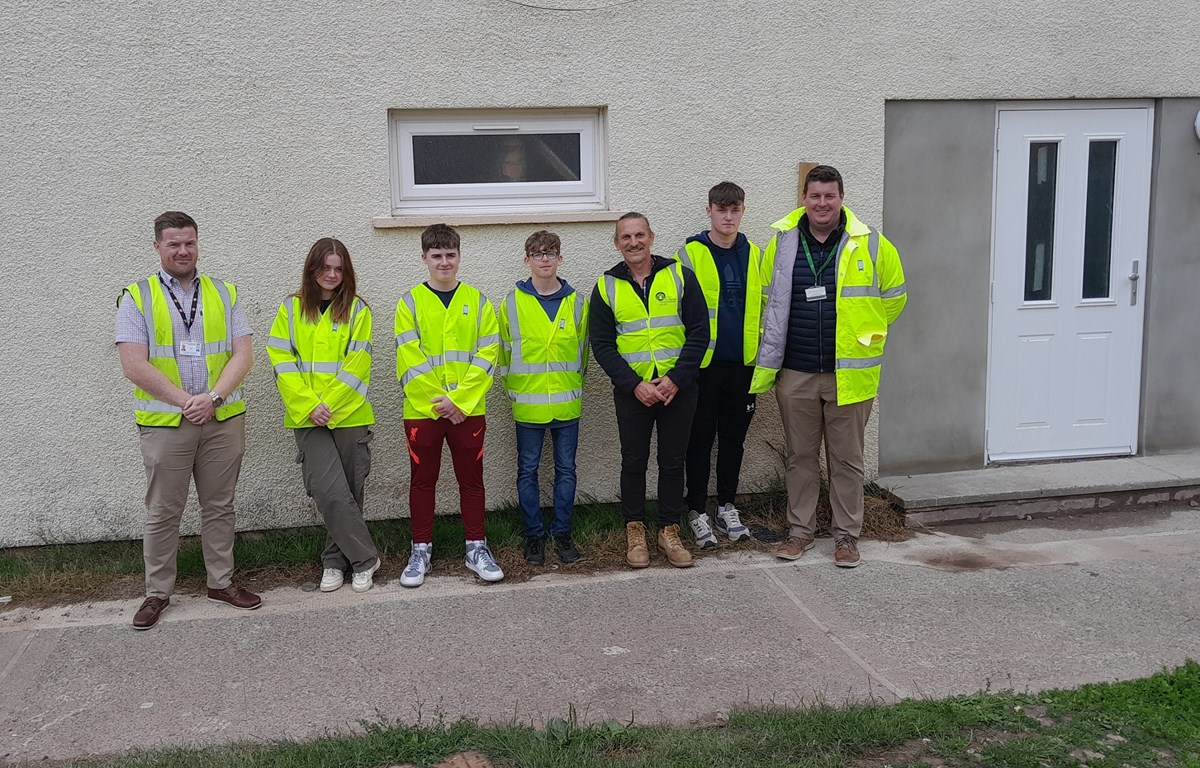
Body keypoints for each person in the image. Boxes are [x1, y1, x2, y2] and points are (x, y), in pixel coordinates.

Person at [750, 166, 907, 567]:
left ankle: (846, 538)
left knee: (847, 460)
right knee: (800, 458)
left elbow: (894, 299)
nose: (822, 204)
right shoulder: (782, 243)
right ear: (803, 198)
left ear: (841, 198)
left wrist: (864, 335)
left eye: (829, 196)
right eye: (815, 196)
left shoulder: (872, 244)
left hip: (848, 374)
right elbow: (767, 299)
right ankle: (799, 532)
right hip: (796, 373)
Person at [116, 211, 260, 630]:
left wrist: (212, 398)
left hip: (222, 417)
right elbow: (133, 364)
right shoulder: (136, 296)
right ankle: (157, 592)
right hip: (167, 423)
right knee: (163, 510)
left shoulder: (225, 292)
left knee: (219, 506)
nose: (183, 250)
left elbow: (243, 353)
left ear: (199, 244)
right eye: (174, 244)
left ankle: (221, 582)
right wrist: (187, 402)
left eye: (190, 243)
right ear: (157, 246)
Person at [589, 212, 709, 569]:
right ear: (616, 243)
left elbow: (699, 332)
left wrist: (676, 379)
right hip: (634, 392)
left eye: (639, 235)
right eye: (625, 237)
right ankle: (636, 529)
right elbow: (602, 345)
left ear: (651, 237)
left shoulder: (679, 276)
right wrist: (634, 384)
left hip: (678, 389)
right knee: (633, 461)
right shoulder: (606, 286)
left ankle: (669, 530)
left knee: (673, 461)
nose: (633, 242)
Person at [267, 238, 381, 594]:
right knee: (328, 492)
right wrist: (308, 406)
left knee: (349, 492)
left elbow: (357, 364)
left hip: (348, 415)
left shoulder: (358, 310)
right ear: (311, 268)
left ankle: (334, 561)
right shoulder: (291, 309)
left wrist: (328, 404)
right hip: (307, 417)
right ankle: (365, 559)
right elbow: (282, 361)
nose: (331, 275)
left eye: (338, 268)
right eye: (324, 267)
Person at [395, 223, 503, 586]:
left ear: (460, 256)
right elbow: (409, 356)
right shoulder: (409, 302)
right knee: (422, 481)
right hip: (423, 412)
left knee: (471, 480)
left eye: (450, 255)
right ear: (424, 258)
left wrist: (459, 401)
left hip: (468, 411)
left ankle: (476, 546)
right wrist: (443, 403)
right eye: (437, 255)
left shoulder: (479, 301)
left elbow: (489, 354)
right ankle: (420, 550)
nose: (444, 262)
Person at [675, 181, 768, 548]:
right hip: (703, 366)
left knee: (734, 441)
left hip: (743, 364)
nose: (728, 217)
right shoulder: (690, 254)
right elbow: (678, 312)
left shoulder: (756, 254)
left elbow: (768, 308)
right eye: (721, 209)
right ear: (709, 210)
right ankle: (696, 510)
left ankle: (727, 505)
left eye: (735, 209)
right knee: (699, 440)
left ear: (743, 210)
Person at [498, 230, 587, 566]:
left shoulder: (577, 302)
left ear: (560, 259)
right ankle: (533, 536)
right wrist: (514, 393)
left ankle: (562, 532)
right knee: (527, 470)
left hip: (567, 404)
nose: (545, 259)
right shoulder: (511, 303)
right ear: (527, 260)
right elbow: (503, 357)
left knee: (566, 470)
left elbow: (583, 354)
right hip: (527, 405)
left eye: (551, 253)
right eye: (538, 254)